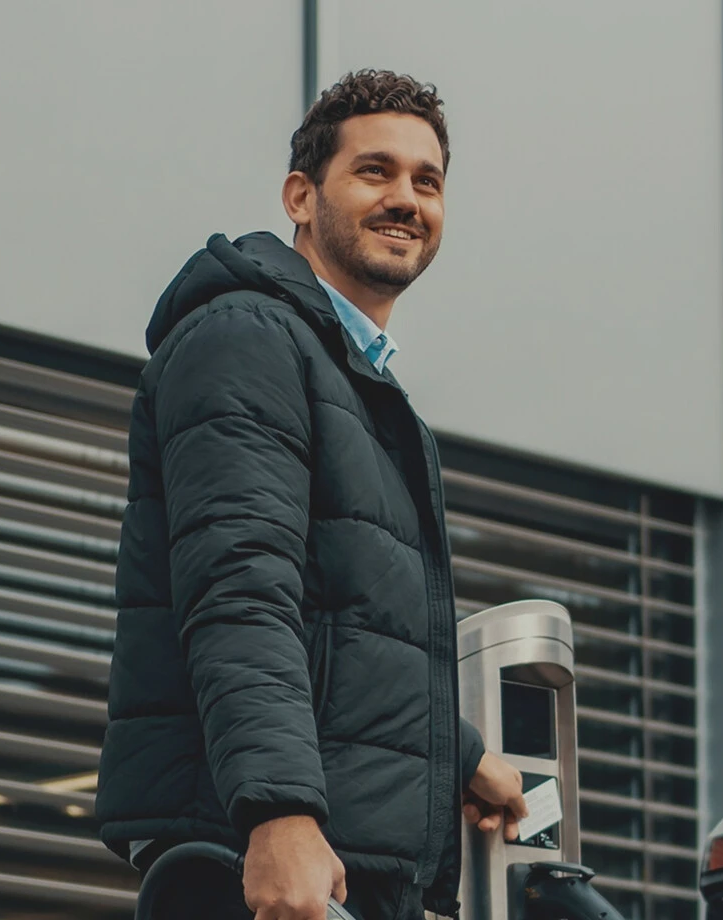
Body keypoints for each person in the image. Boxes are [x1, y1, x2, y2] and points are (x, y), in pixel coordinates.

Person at [96, 70, 528, 920]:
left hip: (338, 860)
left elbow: (344, 625)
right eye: (375, 171)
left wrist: (460, 754)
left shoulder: (345, 373)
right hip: (259, 856)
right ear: (301, 195)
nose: (406, 198)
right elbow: (240, 589)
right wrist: (278, 812)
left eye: (427, 181)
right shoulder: (247, 337)